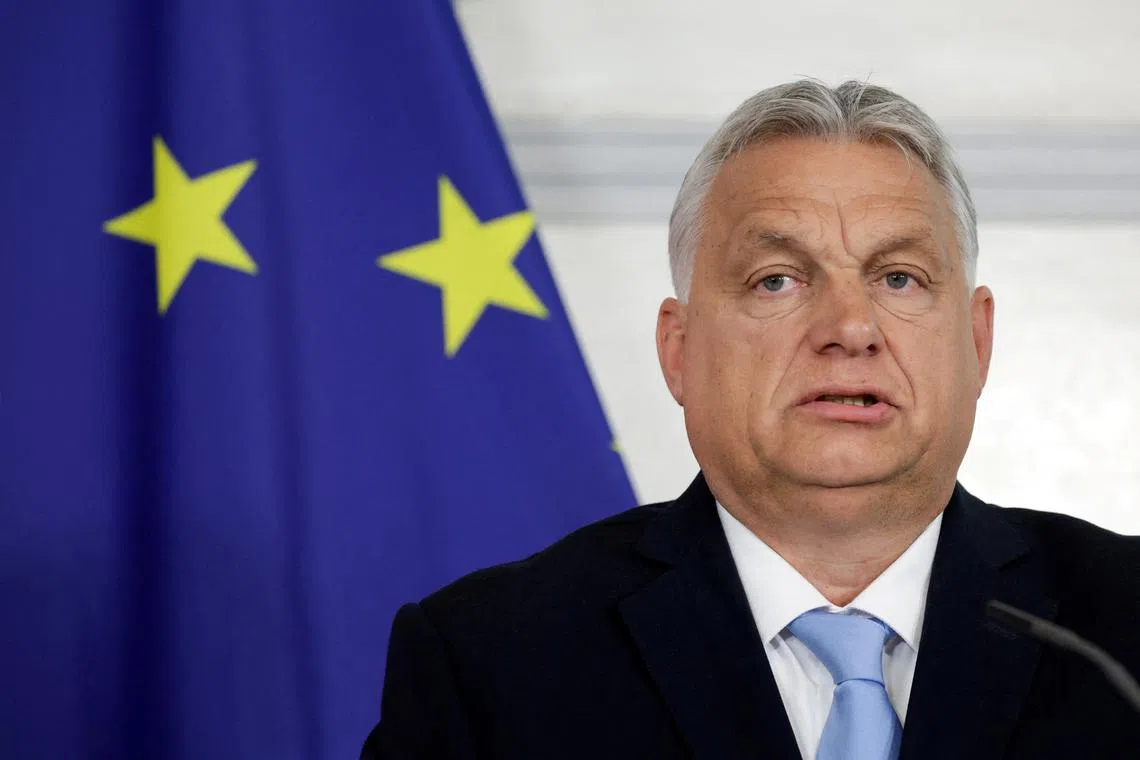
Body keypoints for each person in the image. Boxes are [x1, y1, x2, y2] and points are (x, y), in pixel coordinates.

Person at [360, 80, 1140, 759]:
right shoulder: (493, 663)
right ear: (679, 350)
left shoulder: (1121, 635)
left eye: (898, 277)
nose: (850, 327)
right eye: (777, 281)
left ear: (976, 342)